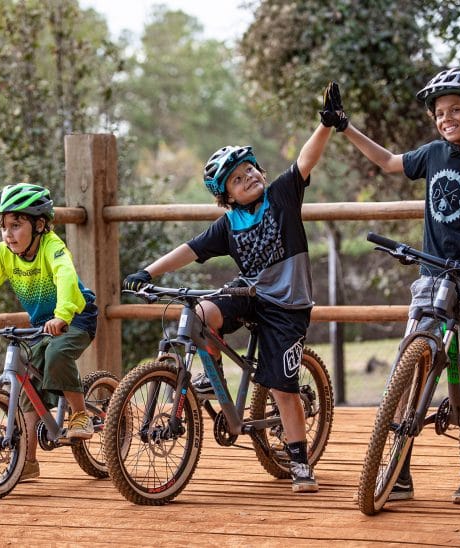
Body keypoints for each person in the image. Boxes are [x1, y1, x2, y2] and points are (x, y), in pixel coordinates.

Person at [323, 69, 460, 504]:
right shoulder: (433, 154)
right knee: (412, 363)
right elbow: (388, 162)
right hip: (432, 275)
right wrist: (344, 126)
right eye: (439, 113)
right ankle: (399, 472)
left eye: (456, 110)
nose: (446, 118)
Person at [123, 121, 333, 493]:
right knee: (200, 312)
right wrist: (148, 272)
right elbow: (190, 249)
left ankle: (300, 461)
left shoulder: (281, 196)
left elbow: (305, 159)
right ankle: (211, 377)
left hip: (287, 305)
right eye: (237, 178)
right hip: (250, 293)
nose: (248, 177)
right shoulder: (229, 223)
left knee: (283, 389)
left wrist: (325, 125)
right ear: (227, 196)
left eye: (250, 169)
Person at [0, 183, 98, 482]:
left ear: (40, 225)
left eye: (16, 225)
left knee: (57, 352)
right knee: (26, 385)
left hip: (75, 316)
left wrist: (62, 315)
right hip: (41, 324)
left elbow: (66, 276)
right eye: (3, 227)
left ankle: (80, 414)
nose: (8, 234)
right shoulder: (5, 253)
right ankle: (28, 462)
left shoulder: (53, 247)